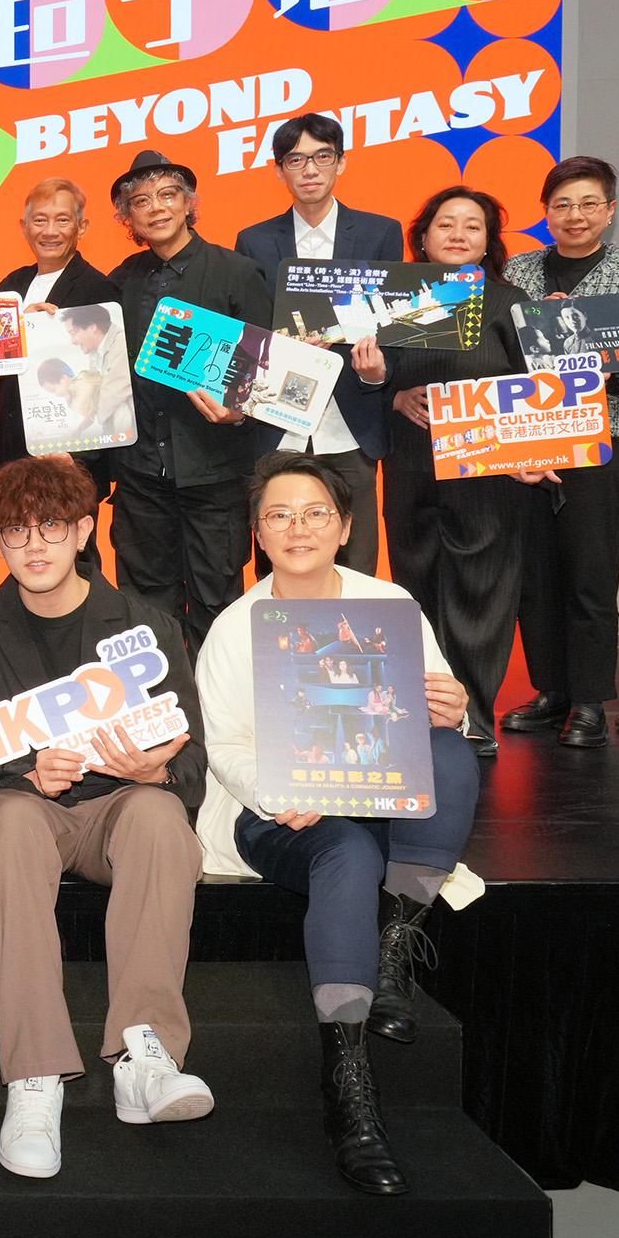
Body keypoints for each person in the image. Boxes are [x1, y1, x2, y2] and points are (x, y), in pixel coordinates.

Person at [198, 452, 481, 1195]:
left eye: (315, 513)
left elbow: (432, 710)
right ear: (259, 533)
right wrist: (281, 791)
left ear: (346, 526)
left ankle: (393, 952)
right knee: (348, 854)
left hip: (373, 794)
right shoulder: (233, 628)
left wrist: (452, 707)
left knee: (450, 752)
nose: (298, 528)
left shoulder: (388, 604)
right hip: (280, 814)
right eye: (280, 516)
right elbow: (224, 748)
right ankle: (349, 1083)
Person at [0, 454, 216, 1183]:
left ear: (86, 531)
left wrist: (153, 771)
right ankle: (35, 1077)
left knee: (160, 819)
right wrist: (25, 774)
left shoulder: (147, 626)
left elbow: (191, 763)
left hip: (117, 806)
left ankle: (145, 1057)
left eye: (52, 527)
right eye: (16, 531)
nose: (35, 545)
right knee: (13, 829)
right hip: (19, 806)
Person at [497, 156, 619, 749]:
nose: (575, 215)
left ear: (610, 210)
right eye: (562, 205)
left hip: (602, 441)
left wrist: (604, 374)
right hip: (524, 442)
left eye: (588, 204)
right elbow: (493, 351)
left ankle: (588, 701)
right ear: (545, 211)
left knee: (591, 574)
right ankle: (550, 689)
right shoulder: (516, 271)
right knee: (535, 576)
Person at [354, 187, 528, 751]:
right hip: (410, 464)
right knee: (415, 590)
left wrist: (532, 452)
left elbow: (538, 386)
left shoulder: (511, 303)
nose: (458, 234)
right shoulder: (394, 301)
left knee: (481, 594)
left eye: (472, 226)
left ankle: (472, 718)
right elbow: (369, 380)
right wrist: (390, 391)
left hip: (488, 472)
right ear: (423, 237)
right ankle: (423, 715)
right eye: (445, 224)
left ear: (488, 241)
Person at [103, 148, 274, 647]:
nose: (156, 207)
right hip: (140, 475)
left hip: (215, 472)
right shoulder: (119, 282)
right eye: (141, 201)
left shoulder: (236, 272)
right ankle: (161, 695)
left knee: (216, 599)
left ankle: (214, 696)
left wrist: (240, 410)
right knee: (144, 605)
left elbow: (267, 366)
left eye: (168, 195)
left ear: (188, 203)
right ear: (127, 217)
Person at [233, 113, 404, 572]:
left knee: (356, 561)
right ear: (279, 170)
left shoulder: (379, 233)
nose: (309, 169)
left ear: (340, 163)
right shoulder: (253, 241)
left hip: (350, 424)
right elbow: (250, 330)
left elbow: (392, 325)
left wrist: (377, 372)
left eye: (322, 156)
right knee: (278, 562)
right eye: (295, 160)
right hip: (278, 424)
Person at [0, 176, 123, 576]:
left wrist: (81, 456)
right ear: (24, 226)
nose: (50, 231)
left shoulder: (100, 290)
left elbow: (111, 377)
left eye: (62, 220)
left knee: (75, 561)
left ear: (82, 227)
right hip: (15, 451)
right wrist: (17, 330)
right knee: (20, 557)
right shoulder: (9, 287)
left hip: (71, 457)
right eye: (40, 220)